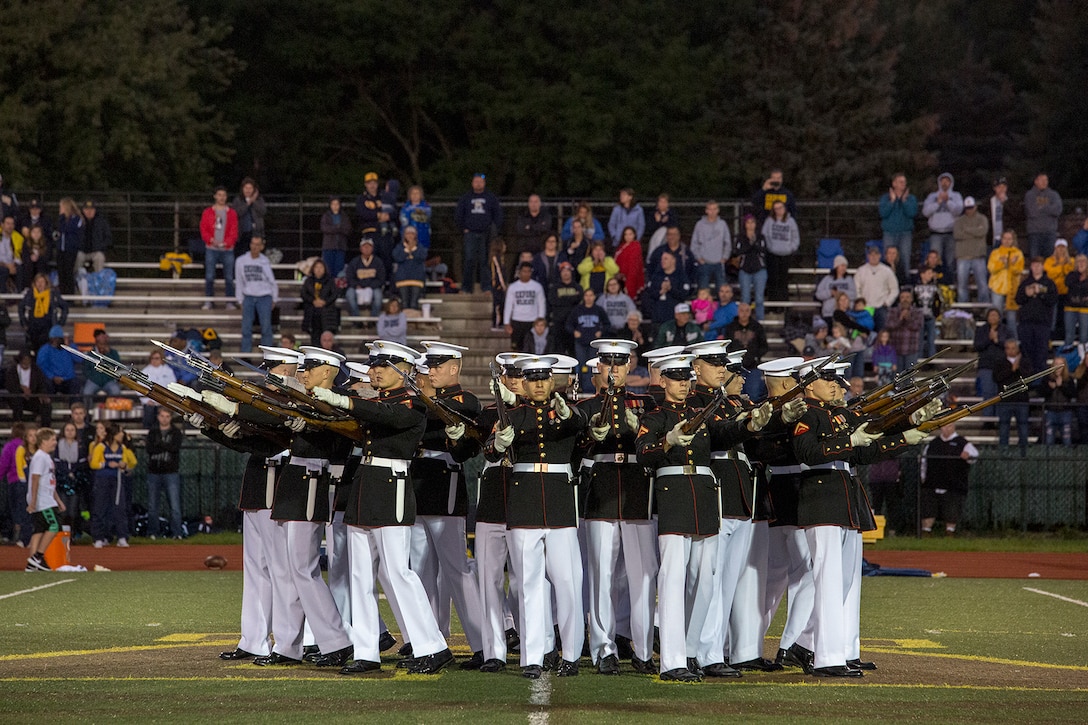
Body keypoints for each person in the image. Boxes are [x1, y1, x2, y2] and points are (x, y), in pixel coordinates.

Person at [485, 355, 588, 678]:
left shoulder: (567, 412)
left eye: (545, 379)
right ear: (525, 384)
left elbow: (580, 425)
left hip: (558, 503)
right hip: (524, 501)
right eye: (533, 380)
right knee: (528, 585)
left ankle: (570, 653)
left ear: (552, 381)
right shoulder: (513, 415)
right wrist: (499, 444)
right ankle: (533, 657)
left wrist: (566, 411)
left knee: (568, 582)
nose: (540, 384)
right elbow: (489, 449)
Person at [578, 339, 658, 674]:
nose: (614, 371)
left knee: (643, 576)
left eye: (620, 364)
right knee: (602, 576)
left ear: (629, 368)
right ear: (599, 368)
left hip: (638, 489)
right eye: (608, 365)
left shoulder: (646, 402)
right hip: (602, 490)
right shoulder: (585, 406)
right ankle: (603, 649)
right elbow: (578, 447)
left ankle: (643, 650)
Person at [406, 341, 486, 669]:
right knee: (421, 572)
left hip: (444, 486)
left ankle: (484, 644)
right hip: (418, 483)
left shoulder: (462, 400)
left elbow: (467, 412)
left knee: (457, 570)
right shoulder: (425, 402)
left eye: (438, 365)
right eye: (430, 366)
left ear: (455, 367)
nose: (432, 371)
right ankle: (431, 642)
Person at [920, 422, 978, 535]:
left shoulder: (962, 443)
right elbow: (924, 463)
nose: (946, 429)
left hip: (953, 485)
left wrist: (967, 456)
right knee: (928, 509)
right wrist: (923, 477)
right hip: (932, 483)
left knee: (952, 509)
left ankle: (949, 532)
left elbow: (974, 456)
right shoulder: (933, 443)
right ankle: (926, 531)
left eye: (949, 426)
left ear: (954, 427)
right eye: (944, 426)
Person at [89, 423, 136, 547]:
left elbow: (132, 462)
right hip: (102, 480)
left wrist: (124, 465)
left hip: (118, 480)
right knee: (100, 508)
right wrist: (106, 465)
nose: (122, 434)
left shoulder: (123, 448)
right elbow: (93, 464)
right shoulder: (101, 447)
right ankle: (98, 537)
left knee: (120, 508)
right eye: (120, 432)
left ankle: (122, 536)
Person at [455, 173, 502, 294]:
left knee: (485, 261)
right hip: (470, 234)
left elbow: (497, 214)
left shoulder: (491, 198)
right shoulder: (466, 198)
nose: (478, 183)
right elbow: (459, 215)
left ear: (484, 183)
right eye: (476, 181)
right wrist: (463, 228)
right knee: (469, 260)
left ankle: (486, 287)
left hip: (486, 234)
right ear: (472, 183)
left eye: (480, 181)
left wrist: (495, 230)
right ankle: (466, 288)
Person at [23, 427, 62, 571]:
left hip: (46, 497)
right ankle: (37, 557)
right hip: (43, 500)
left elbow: (49, 481)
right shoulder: (40, 457)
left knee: (39, 530)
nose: (55, 443)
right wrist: (33, 501)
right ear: (44, 441)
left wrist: (58, 499)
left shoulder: (45, 457)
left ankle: (32, 564)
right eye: (52, 440)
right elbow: (35, 478)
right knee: (54, 526)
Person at [234, 235, 279, 353]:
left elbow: (271, 281)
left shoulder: (264, 261)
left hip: (264, 296)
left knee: (266, 327)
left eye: (257, 244)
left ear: (261, 247)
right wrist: (240, 300)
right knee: (246, 327)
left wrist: (274, 298)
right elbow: (239, 281)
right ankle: (246, 354)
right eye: (253, 244)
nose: (255, 247)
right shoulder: (241, 260)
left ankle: (267, 355)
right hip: (248, 296)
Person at [1015, 257, 1058, 374]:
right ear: (1031, 267)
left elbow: (1053, 300)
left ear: (1043, 267)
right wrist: (1026, 294)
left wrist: (1041, 294)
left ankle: (1040, 384)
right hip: (1026, 324)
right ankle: (1028, 383)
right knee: (1027, 355)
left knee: (1041, 355)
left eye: (1039, 265)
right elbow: (1018, 299)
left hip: (1042, 324)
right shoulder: (1025, 283)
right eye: (1034, 265)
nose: (1036, 267)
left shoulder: (1049, 283)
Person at [145, 408, 184, 539]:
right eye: (162, 416)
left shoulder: (176, 432)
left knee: (175, 506)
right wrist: (165, 445)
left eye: (167, 416)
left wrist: (160, 445)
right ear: (158, 417)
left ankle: (177, 532)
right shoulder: (153, 431)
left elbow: (175, 448)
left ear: (171, 417)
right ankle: (152, 532)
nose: (165, 419)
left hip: (170, 472)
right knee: (152, 506)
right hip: (154, 472)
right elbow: (149, 449)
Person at [199, 187, 238, 310]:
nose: (221, 198)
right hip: (211, 248)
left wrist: (227, 242)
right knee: (210, 276)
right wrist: (211, 240)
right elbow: (203, 229)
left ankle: (230, 302)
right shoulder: (207, 212)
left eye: (224, 195)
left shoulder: (231, 213)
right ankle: (209, 300)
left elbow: (234, 231)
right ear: (215, 196)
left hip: (227, 249)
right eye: (219, 195)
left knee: (229, 277)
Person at [994, 339, 1032, 455]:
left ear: (1018, 349)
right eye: (1008, 348)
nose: (1011, 351)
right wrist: (1012, 369)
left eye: (1013, 348)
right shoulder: (999, 362)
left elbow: (1029, 378)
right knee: (1004, 430)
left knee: (1023, 430)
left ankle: (1024, 455)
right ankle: (1003, 454)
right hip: (1005, 401)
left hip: (1021, 401)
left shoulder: (1025, 362)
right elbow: (996, 378)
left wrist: (1018, 368)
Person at [567, 288, 611, 385]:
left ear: (594, 297)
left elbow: (607, 324)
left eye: (591, 295)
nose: (589, 298)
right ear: (583, 297)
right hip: (580, 342)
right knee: (581, 365)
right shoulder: (577, 310)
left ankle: (592, 386)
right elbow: (568, 325)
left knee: (593, 364)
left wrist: (601, 331)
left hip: (594, 343)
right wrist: (574, 332)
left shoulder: (599, 310)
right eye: (586, 295)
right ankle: (580, 386)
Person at [724, 302, 769, 399]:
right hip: (735, 368)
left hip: (753, 367)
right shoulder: (731, 327)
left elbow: (764, 345)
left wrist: (755, 356)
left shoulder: (757, 327)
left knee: (753, 395)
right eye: (741, 310)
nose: (744, 313)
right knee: (735, 395)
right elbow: (727, 346)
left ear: (750, 312)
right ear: (737, 312)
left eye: (747, 311)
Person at [879, 173, 918, 277]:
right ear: (894, 183)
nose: (903, 184)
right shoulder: (885, 198)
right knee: (889, 260)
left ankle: (904, 284)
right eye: (900, 182)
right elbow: (883, 213)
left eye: (904, 182)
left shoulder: (911, 198)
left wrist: (904, 201)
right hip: (889, 233)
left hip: (905, 234)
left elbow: (912, 213)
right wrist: (892, 202)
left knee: (905, 259)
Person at [921, 172, 963, 270]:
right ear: (939, 182)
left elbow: (959, 211)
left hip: (951, 233)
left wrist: (948, 201)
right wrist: (937, 203)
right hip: (936, 234)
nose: (945, 183)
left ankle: (949, 282)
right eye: (943, 181)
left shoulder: (956, 196)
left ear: (951, 183)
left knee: (950, 260)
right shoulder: (932, 196)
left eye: (947, 181)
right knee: (934, 260)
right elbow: (925, 212)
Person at [54, 421, 88, 540]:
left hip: (75, 481)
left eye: (72, 430)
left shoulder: (80, 446)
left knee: (73, 510)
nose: (69, 432)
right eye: (67, 430)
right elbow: (57, 461)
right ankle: (62, 534)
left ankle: (71, 534)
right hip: (62, 481)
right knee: (63, 509)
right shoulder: (58, 445)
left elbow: (82, 463)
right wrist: (66, 473)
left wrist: (73, 473)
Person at [18, 273, 68, 352]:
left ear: (46, 283)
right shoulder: (31, 294)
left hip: (48, 328)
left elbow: (64, 306)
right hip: (33, 328)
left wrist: (60, 323)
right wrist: (24, 323)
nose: (40, 284)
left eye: (42, 281)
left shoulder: (52, 294)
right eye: (38, 281)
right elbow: (21, 307)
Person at [953, 196, 990, 304]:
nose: (969, 210)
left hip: (978, 256)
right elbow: (957, 234)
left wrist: (966, 231)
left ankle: (984, 306)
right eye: (967, 208)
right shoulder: (959, 221)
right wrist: (975, 232)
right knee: (962, 285)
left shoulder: (982, 218)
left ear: (975, 207)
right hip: (962, 256)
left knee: (982, 283)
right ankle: (963, 306)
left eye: (971, 207)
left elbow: (983, 232)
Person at [988, 230, 1026, 333]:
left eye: (1009, 239)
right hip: (997, 287)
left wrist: (1010, 265)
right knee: (996, 315)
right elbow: (991, 268)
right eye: (1005, 238)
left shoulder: (1018, 253)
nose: (1007, 241)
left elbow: (1019, 270)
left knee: (1011, 318)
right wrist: (1002, 265)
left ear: (1013, 240)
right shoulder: (995, 253)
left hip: (1012, 288)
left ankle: (1012, 342)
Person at [854, 244, 899, 332]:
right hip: (866, 308)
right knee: (865, 334)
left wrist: (887, 302)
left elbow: (894, 289)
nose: (873, 257)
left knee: (882, 334)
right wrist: (860, 303)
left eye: (876, 254)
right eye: (871, 255)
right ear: (868, 256)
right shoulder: (861, 270)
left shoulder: (887, 270)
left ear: (880, 256)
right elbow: (856, 288)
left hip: (881, 308)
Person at [762, 200, 800, 302]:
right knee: (773, 280)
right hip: (772, 254)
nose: (779, 210)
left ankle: (783, 305)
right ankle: (773, 304)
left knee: (783, 280)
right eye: (776, 208)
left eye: (780, 208)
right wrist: (770, 247)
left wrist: (791, 248)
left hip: (786, 254)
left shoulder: (791, 221)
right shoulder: (769, 221)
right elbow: (764, 235)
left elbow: (795, 237)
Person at [504, 261, 547, 350]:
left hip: (532, 320)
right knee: (516, 347)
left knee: (531, 347)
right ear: (519, 272)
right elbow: (508, 305)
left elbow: (541, 304)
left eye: (528, 271)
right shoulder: (513, 287)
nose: (526, 273)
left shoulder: (537, 286)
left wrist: (540, 321)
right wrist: (506, 322)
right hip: (517, 320)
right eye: (524, 271)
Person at [690, 201, 731, 292]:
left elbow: (727, 242)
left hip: (719, 264)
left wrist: (724, 257)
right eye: (710, 209)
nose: (712, 212)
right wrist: (699, 258)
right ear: (706, 211)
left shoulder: (722, 224)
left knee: (722, 292)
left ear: (718, 210)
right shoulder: (699, 225)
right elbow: (694, 243)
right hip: (704, 263)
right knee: (703, 292)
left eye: (714, 209)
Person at [734, 213, 769, 320]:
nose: (750, 225)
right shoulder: (740, 237)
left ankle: (760, 320)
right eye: (748, 222)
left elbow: (763, 250)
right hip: (745, 270)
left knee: (759, 298)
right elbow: (738, 251)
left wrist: (751, 246)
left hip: (759, 269)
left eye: (752, 222)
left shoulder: (760, 237)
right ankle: (744, 319)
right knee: (745, 298)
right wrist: (751, 246)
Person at [644, 250, 691, 326]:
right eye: (662, 259)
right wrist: (661, 292)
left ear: (673, 260)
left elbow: (684, 295)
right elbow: (649, 294)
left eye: (665, 259)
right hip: (658, 318)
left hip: (675, 319)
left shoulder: (681, 276)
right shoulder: (656, 276)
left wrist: (671, 289)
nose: (662, 261)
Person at [344, 238, 386, 319]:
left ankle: (373, 319)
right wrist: (357, 285)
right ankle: (356, 319)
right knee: (349, 295)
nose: (366, 249)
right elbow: (349, 276)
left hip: (373, 287)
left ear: (372, 248)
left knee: (378, 297)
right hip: (357, 287)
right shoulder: (355, 261)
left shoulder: (378, 262)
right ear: (360, 248)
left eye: (369, 246)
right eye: (364, 246)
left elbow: (381, 278)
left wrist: (369, 285)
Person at [301, 259, 339, 347]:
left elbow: (334, 294)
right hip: (312, 314)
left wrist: (324, 302)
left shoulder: (330, 281)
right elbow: (303, 294)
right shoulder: (308, 281)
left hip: (327, 313)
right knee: (314, 337)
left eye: (321, 267)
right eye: (316, 267)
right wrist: (313, 301)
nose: (318, 269)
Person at [1024, 172, 1062, 259]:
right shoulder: (1030, 195)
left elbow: (1057, 210)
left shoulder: (1054, 195)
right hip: (1035, 233)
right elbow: (1032, 211)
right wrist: (1049, 208)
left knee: (1050, 260)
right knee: (1035, 260)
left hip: (1050, 232)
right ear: (1036, 181)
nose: (1044, 182)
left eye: (1046, 180)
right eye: (1042, 180)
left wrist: (1042, 208)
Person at [973, 308, 1010, 398]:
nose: (993, 317)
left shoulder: (1005, 330)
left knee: (1001, 395)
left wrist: (997, 341)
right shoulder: (981, 330)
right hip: (986, 366)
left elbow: (1010, 346)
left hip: (1002, 367)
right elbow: (977, 346)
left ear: (999, 317)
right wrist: (989, 339)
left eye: (995, 315)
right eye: (991, 315)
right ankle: (988, 412)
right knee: (988, 395)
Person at [5, 350, 49, 425]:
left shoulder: (36, 370)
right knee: (17, 403)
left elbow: (42, 384)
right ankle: (17, 426)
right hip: (17, 398)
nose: (26, 362)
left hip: (32, 397)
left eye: (28, 360)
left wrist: (42, 393)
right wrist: (21, 388)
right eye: (24, 359)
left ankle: (45, 428)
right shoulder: (12, 370)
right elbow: (9, 386)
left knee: (46, 406)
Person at [548, 263, 582, 356]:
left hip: (573, 324)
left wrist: (562, 299)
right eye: (563, 271)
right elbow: (553, 301)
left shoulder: (577, 286)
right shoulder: (555, 287)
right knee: (559, 351)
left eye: (567, 271)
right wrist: (572, 298)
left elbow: (579, 300)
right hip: (558, 323)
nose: (565, 273)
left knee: (573, 352)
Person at [137, 349, 177, 429]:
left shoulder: (168, 371)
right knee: (149, 410)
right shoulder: (145, 371)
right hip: (150, 400)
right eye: (152, 358)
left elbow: (173, 386)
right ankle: (147, 432)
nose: (154, 360)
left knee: (165, 411)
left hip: (164, 400)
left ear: (161, 359)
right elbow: (139, 387)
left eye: (157, 358)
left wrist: (165, 399)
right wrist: (146, 400)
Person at [885, 290, 924, 371]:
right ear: (899, 299)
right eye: (902, 297)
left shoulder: (917, 312)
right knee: (897, 378)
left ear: (911, 299)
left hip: (911, 350)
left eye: (907, 297)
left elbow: (917, 326)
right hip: (895, 350)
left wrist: (908, 319)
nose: (905, 299)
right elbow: (889, 326)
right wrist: (900, 319)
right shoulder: (892, 311)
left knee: (909, 378)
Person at [1043, 357, 1077, 446]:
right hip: (1051, 411)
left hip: (1065, 412)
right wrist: (1050, 388)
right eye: (1056, 364)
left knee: (1067, 439)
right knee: (1049, 439)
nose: (1057, 366)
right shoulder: (1047, 378)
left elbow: (1073, 394)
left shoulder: (1069, 379)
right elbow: (1041, 392)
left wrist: (1061, 386)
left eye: (1060, 364)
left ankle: (1066, 458)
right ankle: (1049, 459)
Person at [37, 325, 77, 397]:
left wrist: (70, 347)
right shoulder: (45, 349)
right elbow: (41, 365)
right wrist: (52, 376)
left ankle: (75, 407)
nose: (55, 341)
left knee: (75, 384)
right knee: (46, 384)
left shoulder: (68, 348)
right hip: (51, 379)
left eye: (57, 339)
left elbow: (79, 359)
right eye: (53, 339)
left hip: (67, 379)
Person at [81, 329, 123, 400]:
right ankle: (87, 410)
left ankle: (113, 410)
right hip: (94, 381)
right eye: (101, 337)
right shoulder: (90, 354)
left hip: (109, 380)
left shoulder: (113, 353)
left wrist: (108, 354)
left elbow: (117, 366)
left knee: (115, 391)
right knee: (87, 392)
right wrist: (94, 378)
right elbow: (85, 369)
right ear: (96, 339)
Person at [55, 198, 85, 296]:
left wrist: (63, 219)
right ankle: (62, 294)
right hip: (61, 250)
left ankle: (70, 295)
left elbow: (67, 229)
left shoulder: (77, 219)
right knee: (61, 273)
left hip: (70, 250)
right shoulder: (61, 219)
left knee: (68, 272)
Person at [1045, 239, 1075, 340]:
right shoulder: (1049, 261)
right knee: (1053, 315)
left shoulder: (1072, 261)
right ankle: (1051, 336)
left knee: (1064, 315)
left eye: (1063, 247)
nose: (1061, 250)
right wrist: (1061, 268)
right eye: (1059, 247)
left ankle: (1064, 335)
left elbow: (1071, 273)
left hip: (1067, 292)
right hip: (1054, 291)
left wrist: (1061, 268)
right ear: (1055, 248)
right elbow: (1050, 273)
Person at [392, 226, 426, 310]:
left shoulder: (420, 247)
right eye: (408, 233)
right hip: (402, 279)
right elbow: (397, 257)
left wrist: (413, 249)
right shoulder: (399, 247)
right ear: (404, 235)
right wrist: (407, 250)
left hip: (417, 279)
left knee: (414, 304)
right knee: (404, 303)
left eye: (412, 233)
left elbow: (422, 256)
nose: (410, 236)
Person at [913, 266, 942, 359]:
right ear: (922, 274)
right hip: (918, 318)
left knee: (931, 339)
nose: (931, 275)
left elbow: (940, 300)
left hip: (931, 316)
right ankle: (919, 359)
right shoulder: (915, 287)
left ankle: (931, 360)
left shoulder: (934, 287)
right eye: (929, 273)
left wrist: (936, 313)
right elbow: (913, 301)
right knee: (919, 340)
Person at [816, 255, 856, 321]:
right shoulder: (827, 279)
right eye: (842, 265)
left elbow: (854, 295)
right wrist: (830, 293)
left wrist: (841, 294)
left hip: (845, 313)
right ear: (836, 266)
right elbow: (818, 294)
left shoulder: (849, 279)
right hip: (829, 313)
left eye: (845, 266)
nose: (844, 268)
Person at [232, 177, 266, 256]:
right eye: (246, 188)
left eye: (250, 188)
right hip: (241, 234)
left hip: (256, 233)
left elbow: (263, 211)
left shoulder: (259, 200)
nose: (248, 190)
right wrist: (248, 203)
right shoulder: (238, 200)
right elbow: (236, 213)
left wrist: (254, 201)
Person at [320, 197, 353, 278]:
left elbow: (348, 229)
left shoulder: (344, 216)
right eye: (333, 204)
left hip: (340, 247)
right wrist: (338, 228)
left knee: (339, 269)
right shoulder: (326, 216)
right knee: (327, 269)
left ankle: (337, 288)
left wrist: (334, 228)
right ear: (330, 205)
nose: (335, 206)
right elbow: (324, 228)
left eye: (337, 204)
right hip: (328, 247)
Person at [77, 200, 111, 274]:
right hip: (81, 251)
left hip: (96, 251)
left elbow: (108, 238)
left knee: (99, 257)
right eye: (86, 209)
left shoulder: (101, 222)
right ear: (83, 210)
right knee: (77, 256)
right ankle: (76, 281)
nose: (89, 212)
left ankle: (98, 281)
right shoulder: (77, 221)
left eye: (91, 209)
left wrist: (100, 247)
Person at [613, 226, 645, 299]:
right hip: (619, 278)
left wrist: (628, 285)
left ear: (634, 235)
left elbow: (633, 268)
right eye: (626, 234)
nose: (628, 236)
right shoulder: (621, 246)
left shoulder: (635, 247)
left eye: (630, 234)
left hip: (629, 278)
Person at [399, 185, 433, 252]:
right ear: (409, 195)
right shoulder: (405, 207)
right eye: (413, 193)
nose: (415, 195)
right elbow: (403, 221)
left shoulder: (426, 207)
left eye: (417, 193)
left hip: (423, 235)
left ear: (421, 195)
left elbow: (426, 217)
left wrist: (412, 213)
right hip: (409, 235)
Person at [1064, 254, 1088, 345]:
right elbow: (1068, 283)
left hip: (1085, 308)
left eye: (1083, 261)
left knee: (1084, 336)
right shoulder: (1071, 275)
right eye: (1079, 261)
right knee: (1069, 334)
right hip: (1071, 307)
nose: (1081, 263)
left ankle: (1084, 357)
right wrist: (1078, 274)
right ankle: (1068, 356)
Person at [19, 223, 51, 292]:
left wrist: (38, 257)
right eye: (34, 232)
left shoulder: (46, 243)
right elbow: (24, 256)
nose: (36, 234)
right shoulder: (26, 243)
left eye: (38, 232)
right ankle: (27, 288)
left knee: (41, 264)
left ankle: (42, 287)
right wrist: (30, 258)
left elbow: (47, 256)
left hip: (41, 265)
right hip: (29, 266)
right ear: (30, 233)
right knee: (27, 265)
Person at [488, 237, 508, 330]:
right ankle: (496, 323)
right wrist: (502, 284)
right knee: (497, 305)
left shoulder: (501, 258)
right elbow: (498, 272)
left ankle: (500, 323)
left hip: (499, 284)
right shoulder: (496, 258)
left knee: (501, 304)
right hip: (497, 285)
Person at [0, 214, 22, 292]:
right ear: (2, 225)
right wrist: (7, 266)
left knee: (20, 269)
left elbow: (19, 255)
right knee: (3, 270)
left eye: (12, 224)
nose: (10, 226)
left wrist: (14, 265)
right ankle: (2, 297)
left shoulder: (18, 237)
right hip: (2, 265)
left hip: (12, 264)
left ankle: (19, 296)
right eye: (8, 223)